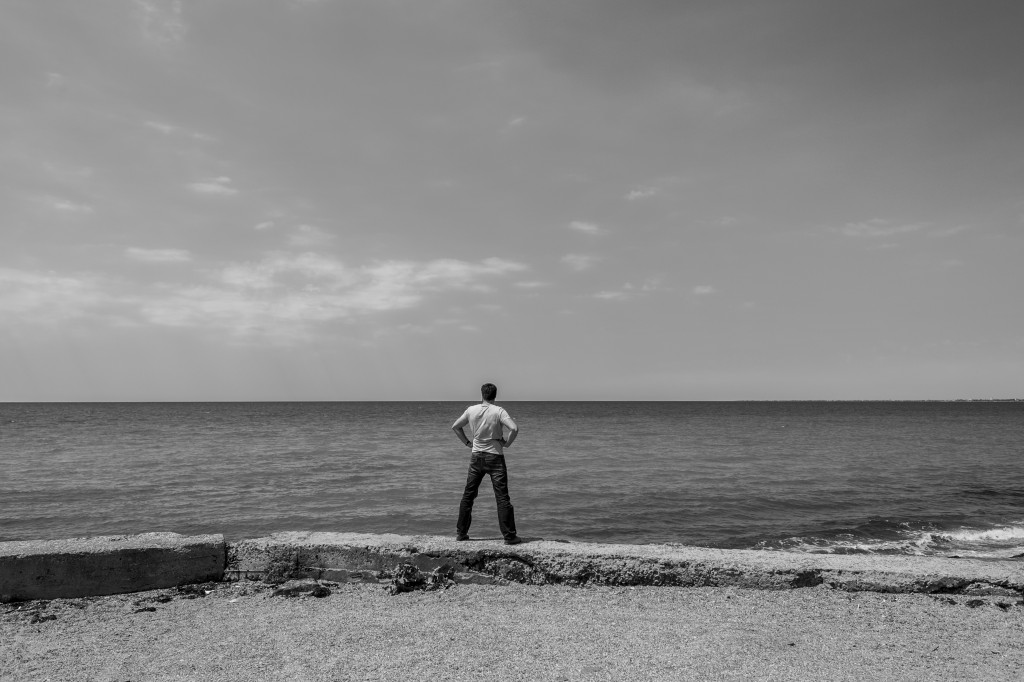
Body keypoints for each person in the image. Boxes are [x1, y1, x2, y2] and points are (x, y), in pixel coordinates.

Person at [451, 382, 521, 545]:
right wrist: (507, 443)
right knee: (502, 497)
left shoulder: (471, 410)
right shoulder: (498, 411)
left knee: (468, 495)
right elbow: (514, 429)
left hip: (476, 456)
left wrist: (467, 443)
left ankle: (461, 533)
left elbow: (455, 427)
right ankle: (509, 536)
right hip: (495, 456)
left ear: (482, 394)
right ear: (495, 395)